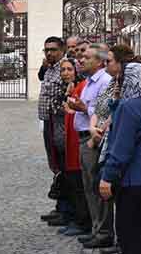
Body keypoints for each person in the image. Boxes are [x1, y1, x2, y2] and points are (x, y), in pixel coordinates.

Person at [99, 61, 141, 254]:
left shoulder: (129, 107)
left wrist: (107, 177)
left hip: (135, 182)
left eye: (121, 79)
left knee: (132, 238)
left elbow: (121, 148)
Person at [67, 43, 113, 249]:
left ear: (99, 61)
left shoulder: (105, 81)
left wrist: (83, 108)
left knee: (97, 186)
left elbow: (103, 112)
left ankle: (103, 232)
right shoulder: (88, 81)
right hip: (83, 137)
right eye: (81, 57)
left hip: (94, 139)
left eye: (86, 57)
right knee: (89, 187)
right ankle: (96, 229)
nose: (81, 60)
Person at [58, 58, 91, 237]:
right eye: (63, 70)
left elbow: (80, 111)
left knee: (79, 184)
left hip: (77, 139)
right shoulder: (70, 87)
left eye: (69, 69)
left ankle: (83, 221)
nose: (65, 73)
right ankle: (77, 218)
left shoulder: (82, 86)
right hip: (70, 139)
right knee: (74, 182)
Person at [37, 37, 66, 224]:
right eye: (46, 49)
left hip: (60, 122)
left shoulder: (65, 68)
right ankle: (60, 206)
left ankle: (66, 210)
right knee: (54, 164)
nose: (49, 53)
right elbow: (41, 78)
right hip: (48, 121)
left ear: (62, 50)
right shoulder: (50, 67)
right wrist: (44, 66)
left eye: (53, 49)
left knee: (63, 165)